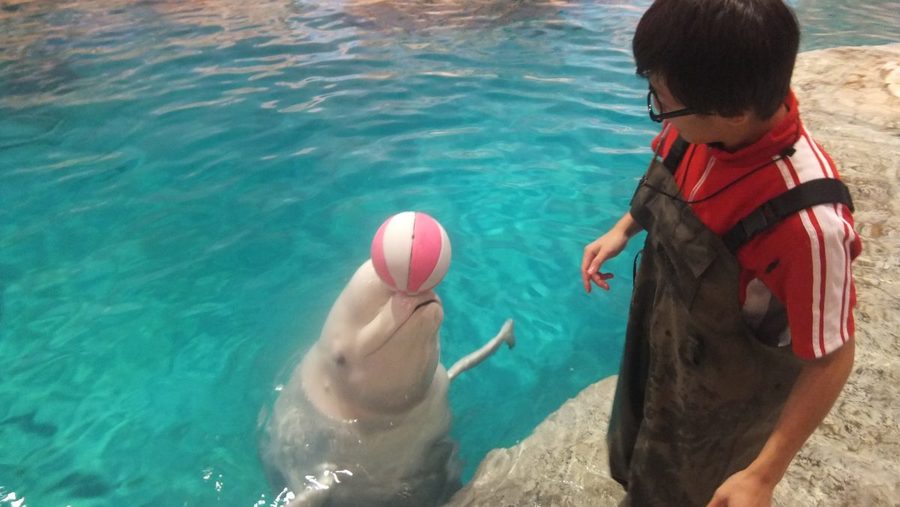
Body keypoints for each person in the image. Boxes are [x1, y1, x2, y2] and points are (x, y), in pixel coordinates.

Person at [580, 0, 862, 505]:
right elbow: (666, 172)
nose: (658, 110)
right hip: (664, 342)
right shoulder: (701, 123)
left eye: (661, 100)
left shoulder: (807, 227)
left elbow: (832, 357)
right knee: (636, 454)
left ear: (731, 113)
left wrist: (764, 475)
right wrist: (624, 228)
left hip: (722, 406)